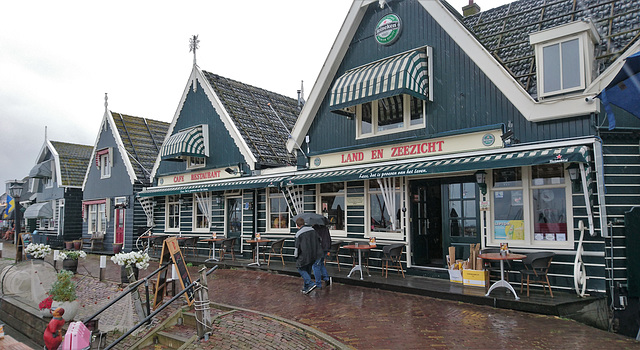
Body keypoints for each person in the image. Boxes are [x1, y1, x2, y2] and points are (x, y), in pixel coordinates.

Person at [294, 217, 323, 294]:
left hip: (304, 255)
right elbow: (319, 239)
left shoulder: (298, 234)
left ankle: (310, 284)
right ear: (303, 223)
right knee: (308, 270)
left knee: (300, 268)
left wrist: (296, 256)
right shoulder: (313, 230)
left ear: (297, 225)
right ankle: (306, 288)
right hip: (314, 254)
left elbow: (297, 247)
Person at [313, 224, 332, 288]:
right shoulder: (325, 228)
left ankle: (318, 283)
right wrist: (328, 249)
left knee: (315, 265)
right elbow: (329, 238)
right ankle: (326, 279)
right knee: (321, 264)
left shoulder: (315, 229)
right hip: (325, 249)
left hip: (319, 249)